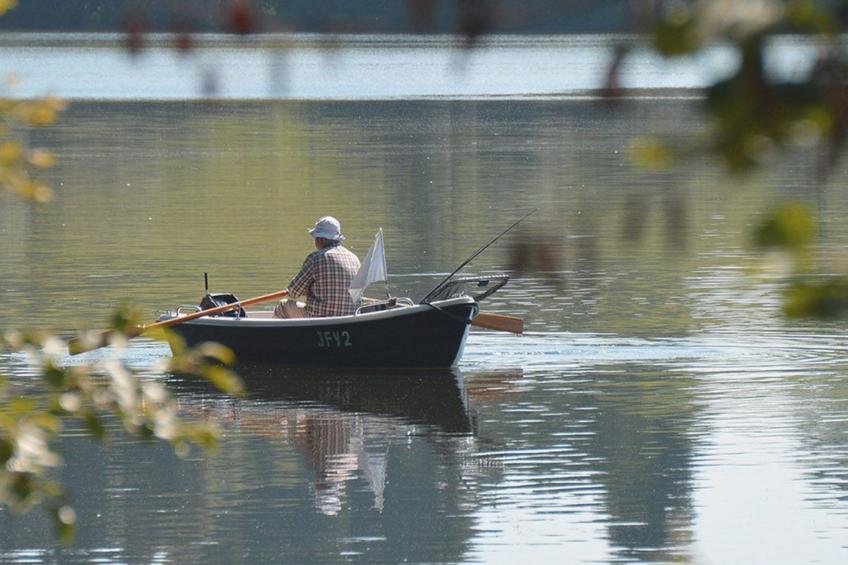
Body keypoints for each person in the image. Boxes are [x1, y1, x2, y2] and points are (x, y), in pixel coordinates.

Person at [274, 216, 361, 318]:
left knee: (283, 305)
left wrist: (308, 289)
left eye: (315, 238)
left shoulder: (316, 258)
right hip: (350, 317)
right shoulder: (355, 259)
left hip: (319, 316)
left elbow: (294, 292)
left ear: (321, 239)